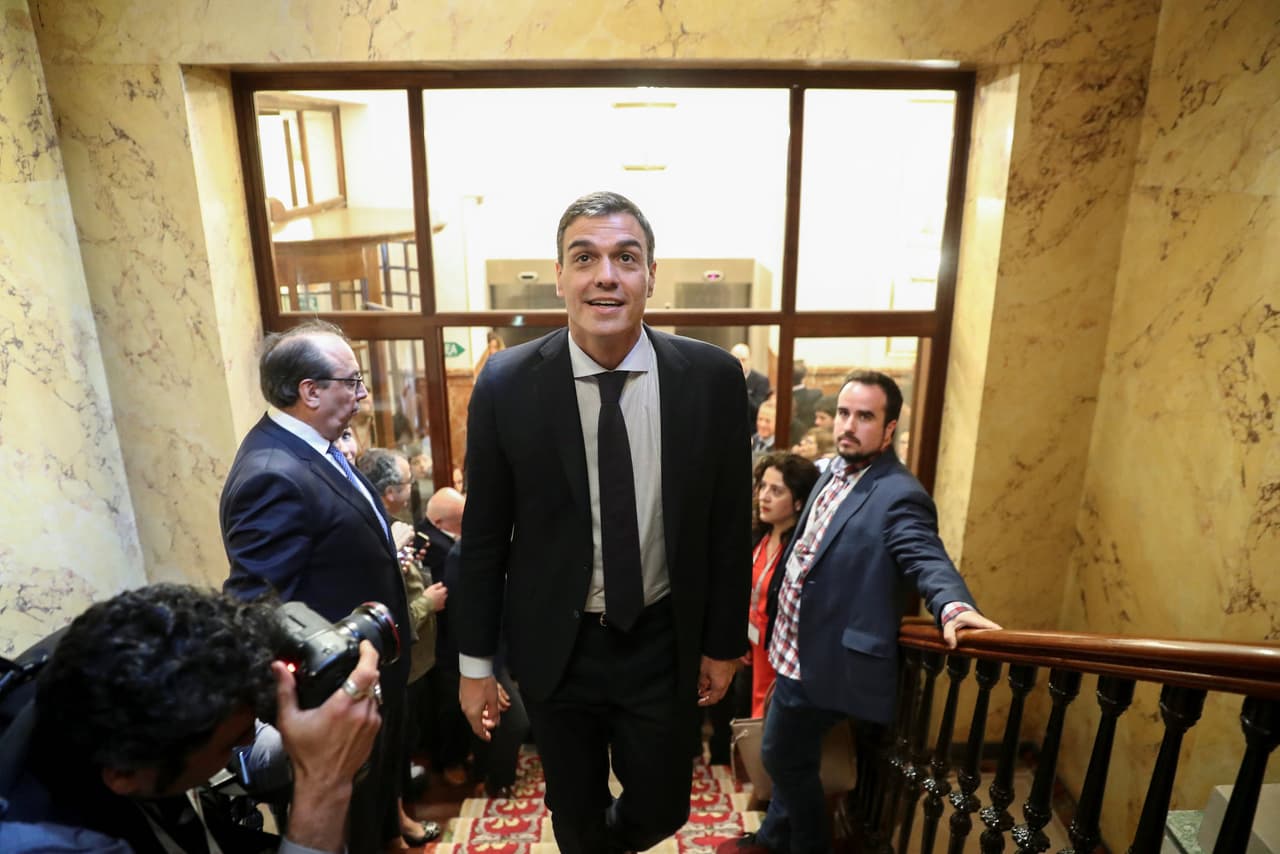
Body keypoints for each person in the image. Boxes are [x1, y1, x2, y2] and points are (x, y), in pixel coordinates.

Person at [457, 190, 751, 854]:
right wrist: (475, 665)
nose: (606, 275)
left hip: (663, 640)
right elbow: (482, 540)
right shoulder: (505, 384)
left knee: (663, 809)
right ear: (559, 277)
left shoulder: (709, 380)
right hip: (557, 648)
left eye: (626, 256)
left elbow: (729, 527)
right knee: (575, 813)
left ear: (651, 275)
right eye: (584, 257)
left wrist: (722, 641)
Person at [720, 370, 1002, 854]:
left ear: (890, 428)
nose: (849, 425)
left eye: (865, 416)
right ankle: (772, 837)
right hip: (789, 646)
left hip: (823, 660)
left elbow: (923, 554)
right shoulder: (832, 470)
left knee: (782, 756)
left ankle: (806, 847)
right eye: (845, 413)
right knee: (794, 756)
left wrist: (952, 604)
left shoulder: (899, 493)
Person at [0, 584, 383, 854]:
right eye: (230, 743)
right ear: (125, 775)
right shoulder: (54, 844)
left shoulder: (118, 683)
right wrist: (325, 783)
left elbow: (243, 759)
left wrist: (313, 741)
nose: (248, 739)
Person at [220, 319, 412, 854]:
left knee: (373, 812)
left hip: (369, 670)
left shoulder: (319, 449)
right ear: (310, 391)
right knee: (348, 823)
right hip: (336, 693)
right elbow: (257, 603)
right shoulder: (272, 472)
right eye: (351, 381)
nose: (363, 394)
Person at [356, 449, 446, 846]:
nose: (412, 491)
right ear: (391, 491)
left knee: (403, 745)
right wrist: (427, 600)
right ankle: (397, 824)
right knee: (392, 749)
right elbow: (385, 610)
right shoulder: (375, 531)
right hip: (397, 664)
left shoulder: (395, 525)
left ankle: (400, 816)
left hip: (414, 658)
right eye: (408, 484)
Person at [745, 452, 819, 718]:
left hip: (779, 651)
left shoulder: (801, 549)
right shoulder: (758, 535)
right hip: (750, 646)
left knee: (766, 722)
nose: (763, 496)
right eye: (762, 487)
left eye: (775, 491)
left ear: (799, 501)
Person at [731, 342, 772, 433]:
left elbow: (758, 409)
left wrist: (739, 385)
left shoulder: (761, 381)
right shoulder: (724, 378)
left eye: (743, 359)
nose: (739, 363)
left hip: (750, 431)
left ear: (750, 360)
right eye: (735, 359)